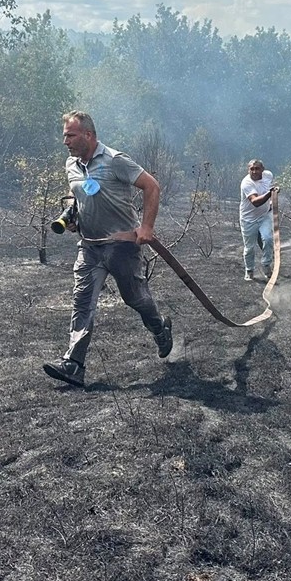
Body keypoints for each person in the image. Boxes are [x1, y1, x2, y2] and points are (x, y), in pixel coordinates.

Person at [43, 111, 174, 388]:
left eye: (70, 135)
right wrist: (73, 216)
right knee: (82, 302)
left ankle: (160, 329)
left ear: (88, 135)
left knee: (135, 298)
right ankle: (74, 365)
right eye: (64, 135)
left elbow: (151, 186)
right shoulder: (72, 164)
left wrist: (147, 227)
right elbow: (77, 194)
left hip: (122, 246)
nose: (64, 141)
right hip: (89, 247)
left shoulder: (115, 160)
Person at [239, 159, 278, 281]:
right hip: (248, 219)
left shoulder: (268, 175)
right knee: (249, 247)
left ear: (263, 169)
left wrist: (275, 191)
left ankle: (266, 265)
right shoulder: (246, 183)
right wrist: (269, 194)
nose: (254, 171)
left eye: (257, 168)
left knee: (268, 238)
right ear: (248, 170)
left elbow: (272, 186)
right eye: (252, 169)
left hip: (264, 215)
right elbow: (255, 202)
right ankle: (249, 270)